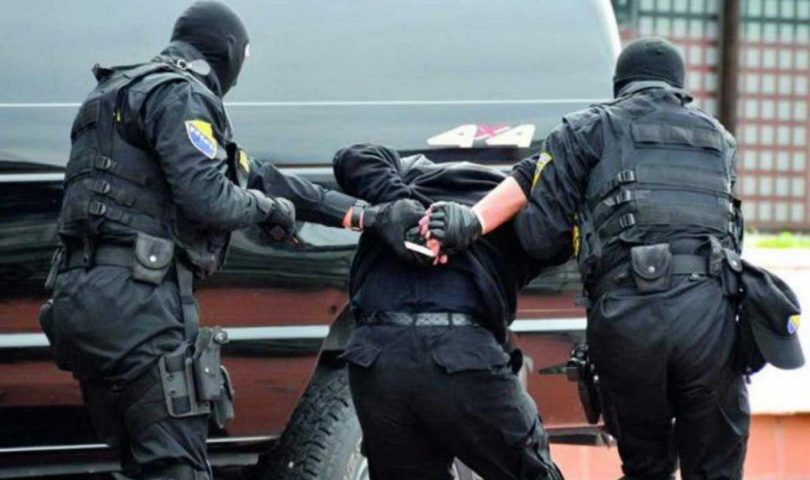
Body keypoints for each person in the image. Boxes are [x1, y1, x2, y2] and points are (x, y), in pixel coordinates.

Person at [39, 2, 421, 479]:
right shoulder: (182, 94)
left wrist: (366, 215)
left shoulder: (111, 94)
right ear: (228, 51)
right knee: (175, 467)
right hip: (137, 304)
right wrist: (269, 211)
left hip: (77, 301)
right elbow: (211, 199)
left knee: (143, 462)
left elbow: (258, 176)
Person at [426, 38, 749, 480]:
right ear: (680, 86)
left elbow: (539, 238)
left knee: (647, 467)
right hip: (712, 318)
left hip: (629, 318)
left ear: (620, 85)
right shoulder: (720, 138)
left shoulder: (585, 129)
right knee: (717, 470)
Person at [333, 143, 565, 480]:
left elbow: (353, 156)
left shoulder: (405, 181)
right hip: (460, 357)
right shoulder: (517, 210)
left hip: (376, 359)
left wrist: (401, 206)